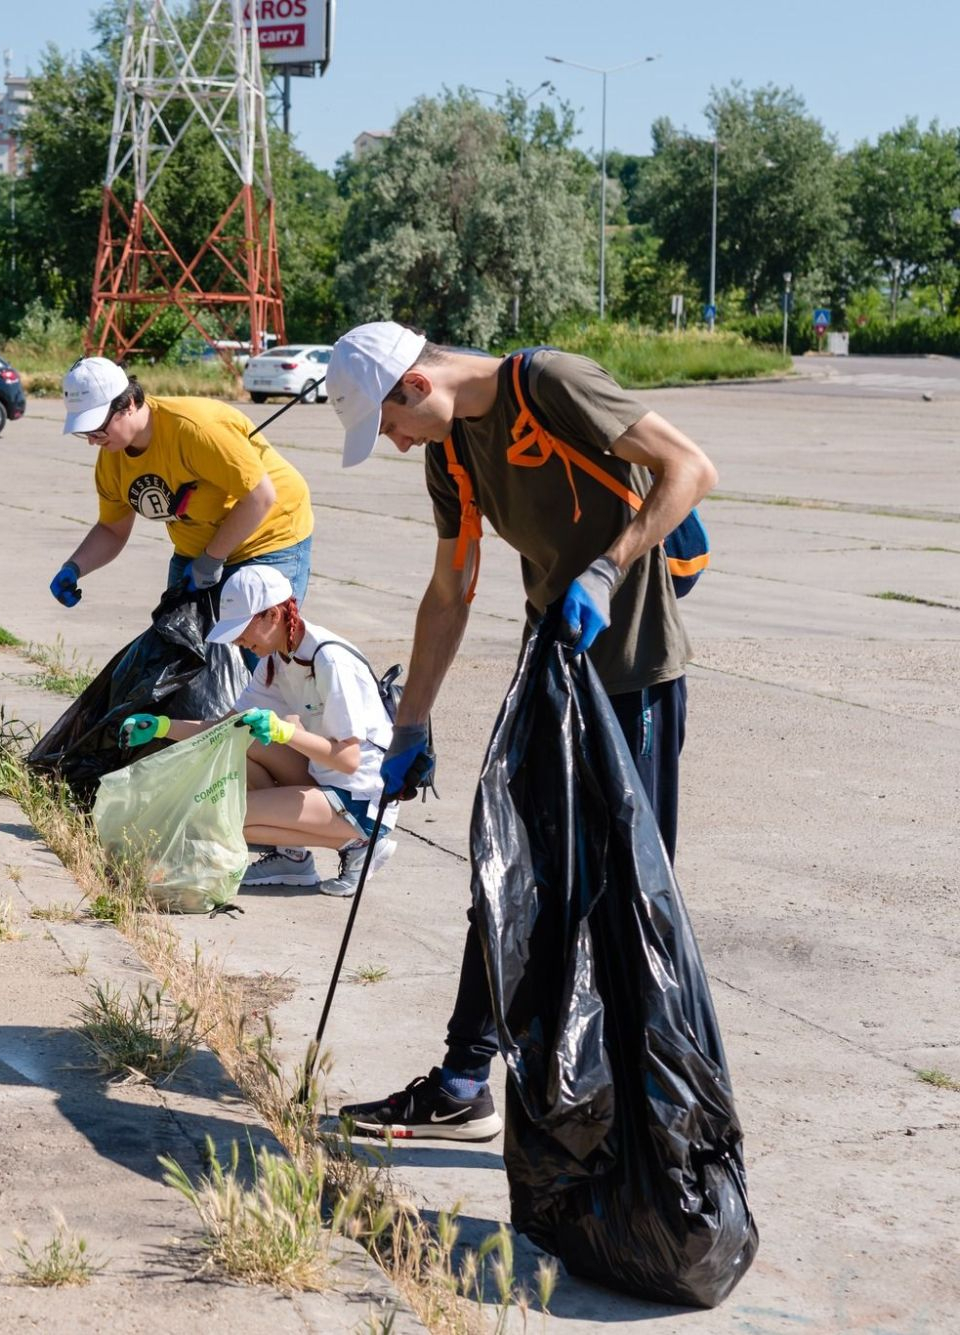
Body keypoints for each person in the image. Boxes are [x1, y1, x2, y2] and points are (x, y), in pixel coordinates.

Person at [324, 320, 718, 1141]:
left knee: (627, 896)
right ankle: (463, 1082)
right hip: (553, 669)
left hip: (635, 672)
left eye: (390, 423)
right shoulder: (451, 456)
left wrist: (607, 568)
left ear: (416, 385)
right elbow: (449, 592)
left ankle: (644, 1109)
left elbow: (689, 468)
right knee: (509, 873)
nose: (396, 442)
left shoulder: (551, 384)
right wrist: (409, 724)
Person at [117, 566, 396, 896]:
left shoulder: (330, 661)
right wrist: (161, 727)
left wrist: (284, 732)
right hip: (325, 778)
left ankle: (361, 844)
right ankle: (291, 858)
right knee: (239, 739)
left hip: (361, 798)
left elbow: (348, 760)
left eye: (241, 630)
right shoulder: (277, 660)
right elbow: (225, 729)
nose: (238, 641)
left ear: (272, 615)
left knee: (225, 816)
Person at [49, 355, 315, 613]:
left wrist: (211, 560)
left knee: (255, 642)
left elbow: (260, 497)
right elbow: (112, 529)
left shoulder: (196, 429)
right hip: (197, 553)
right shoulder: (112, 458)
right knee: (177, 641)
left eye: (97, 428)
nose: (92, 440)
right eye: (85, 432)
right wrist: (74, 567)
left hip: (267, 538)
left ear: (128, 404)